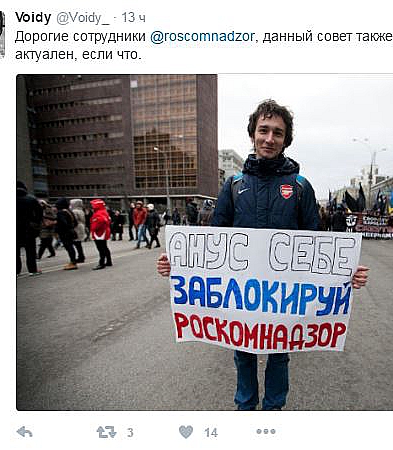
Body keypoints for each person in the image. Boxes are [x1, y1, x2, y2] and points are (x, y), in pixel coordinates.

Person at [157, 99, 369, 411]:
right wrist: (178, 263)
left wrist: (346, 273)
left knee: (279, 356)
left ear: (286, 140)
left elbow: (317, 246)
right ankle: (245, 408)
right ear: (253, 134)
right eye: (263, 130)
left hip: (283, 298)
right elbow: (213, 242)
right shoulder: (233, 185)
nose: (269, 139)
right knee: (242, 353)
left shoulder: (300, 187)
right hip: (241, 297)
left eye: (277, 133)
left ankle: (273, 410)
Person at [16, 181, 42, 276]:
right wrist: (36, 223)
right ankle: (32, 270)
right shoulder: (31, 199)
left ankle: (16, 271)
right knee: (30, 250)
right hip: (29, 227)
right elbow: (39, 213)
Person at [55, 198, 78, 270]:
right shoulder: (69, 211)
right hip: (71, 231)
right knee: (70, 247)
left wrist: (57, 225)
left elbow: (63, 223)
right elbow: (76, 222)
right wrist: (71, 227)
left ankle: (73, 263)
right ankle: (73, 262)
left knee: (69, 247)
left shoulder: (60, 212)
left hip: (64, 232)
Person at [90, 199, 113, 270]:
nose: (92, 206)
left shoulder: (98, 213)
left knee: (101, 248)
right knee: (104, 247)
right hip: (103, 231)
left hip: (100, 232)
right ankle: (108, 261)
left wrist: (93, 228)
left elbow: (100, 221)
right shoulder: (104, 211)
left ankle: (101, 263)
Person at [70, 199, 86, 263]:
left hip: (77, 227)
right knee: (78, 243)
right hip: (81, 226)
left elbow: (74, 219)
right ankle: (81, 256)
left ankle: (81, 257)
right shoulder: (81, 210)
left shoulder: (74, 211)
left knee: (77, 243)